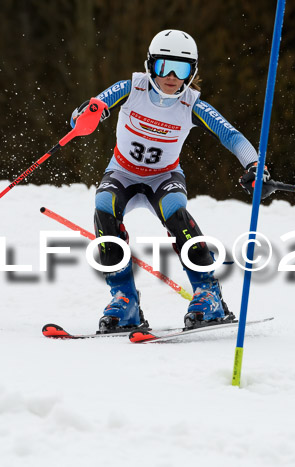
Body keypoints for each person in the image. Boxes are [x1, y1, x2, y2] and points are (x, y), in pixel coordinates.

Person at [69, 29, 276, 333]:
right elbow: (80, 115)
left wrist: (256, 166)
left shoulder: (191, 104)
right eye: (163, 66)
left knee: (174, 210)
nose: (171, 77)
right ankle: (125, 299)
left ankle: (209, 293)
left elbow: (230, 135)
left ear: (192, 72)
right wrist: (87, 115)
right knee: (103, 207)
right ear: (150, 65)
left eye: (181, 69)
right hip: (122, 172)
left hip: (163, 177)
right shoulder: (130, 88)